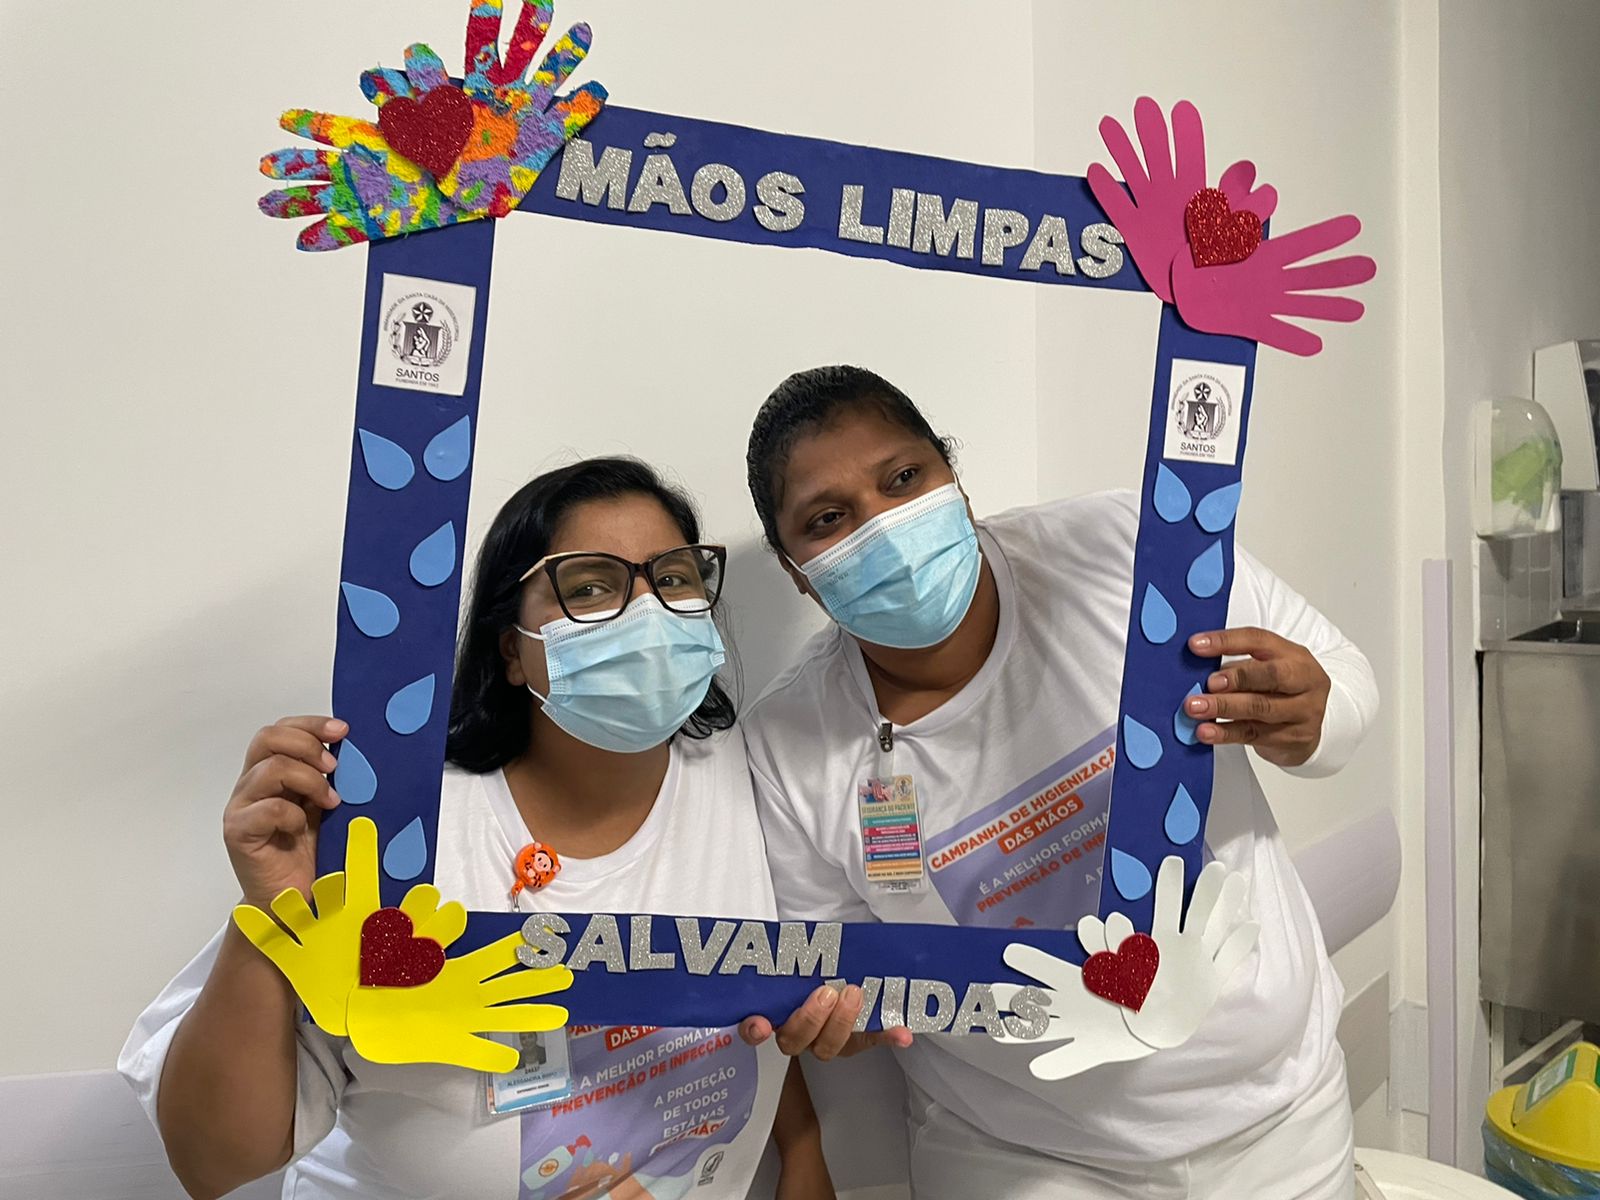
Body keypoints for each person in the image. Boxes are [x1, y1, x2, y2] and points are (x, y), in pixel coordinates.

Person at [737, 367, 1378, 1200]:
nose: (885, 529)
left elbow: (1343, 683)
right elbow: (845, 970)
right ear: (795, 569)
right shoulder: (788, 745)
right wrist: (842, 1017)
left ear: (954, 477)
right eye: (829, 519)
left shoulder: (1123, 549)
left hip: (1280, 1111)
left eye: (903, 478)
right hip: (1020, 1158)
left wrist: (1314, 715)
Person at [120, 457, 834, 1200]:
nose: (648, 612)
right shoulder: (393, 832)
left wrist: (804, 1146)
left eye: (675, 577)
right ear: (511, 650)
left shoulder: (752, 779)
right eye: (590, 588)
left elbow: (749, 977)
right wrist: (276, 913)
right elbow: (212, 1165)